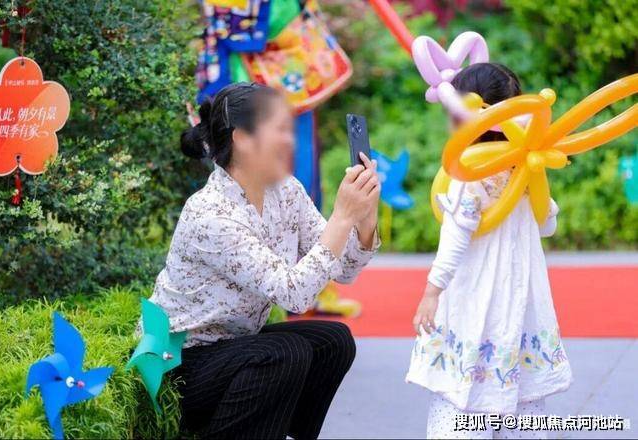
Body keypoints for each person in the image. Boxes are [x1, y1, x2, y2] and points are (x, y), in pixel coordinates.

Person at [149, 82, 380, 439]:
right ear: (243, 139)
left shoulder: (284, 191)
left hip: (235, 347)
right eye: (279, 129)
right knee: (284, 352)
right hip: (180, 361)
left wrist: (364, 216)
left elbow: (344, 269)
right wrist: (342, 216)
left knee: (333, 341)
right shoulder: (210, 212)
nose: (289, 140)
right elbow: (295, 296)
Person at [406, 63, 573, 439]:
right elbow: (548, 224)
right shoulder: (525, 167)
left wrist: (432, 292)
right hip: (521, 298)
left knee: (463, 396)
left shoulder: (469, 173)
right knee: (523, 400)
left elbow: (455, 238)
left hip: (477, 297)